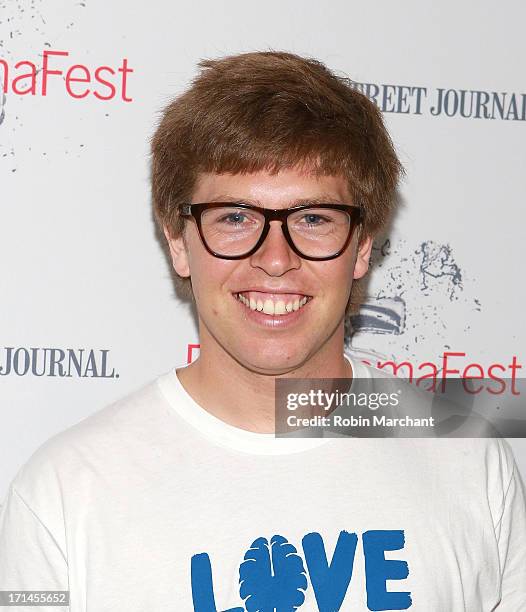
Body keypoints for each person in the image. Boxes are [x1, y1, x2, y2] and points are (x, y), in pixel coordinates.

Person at [1, 50, 525, 611]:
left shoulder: (466, 455)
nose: (275, 259)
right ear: (179, 241)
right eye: (234, 217)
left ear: (362, 245)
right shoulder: (64, 491)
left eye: (313, 219)